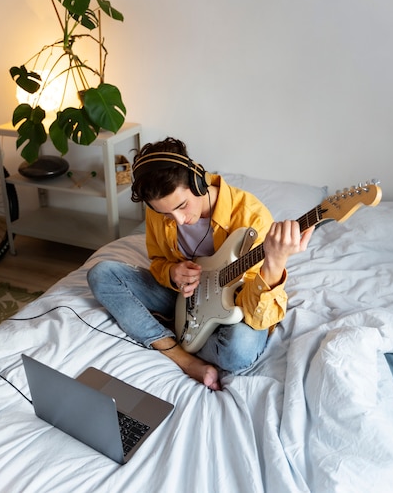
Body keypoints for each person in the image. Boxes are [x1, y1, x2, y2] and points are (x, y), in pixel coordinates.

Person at [87, 137, 314, 391]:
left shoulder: (251, 216)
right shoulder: (159, 208)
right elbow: (158, 261)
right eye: (165, 213)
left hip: (235, 304)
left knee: (238, 353)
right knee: (101, 274)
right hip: (181, 298)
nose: (179, 220)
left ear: (198, 181)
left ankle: (168, 328)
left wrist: (275, 262)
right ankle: (182, 358)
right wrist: (172, 272)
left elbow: (255, 314)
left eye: (182, 206)